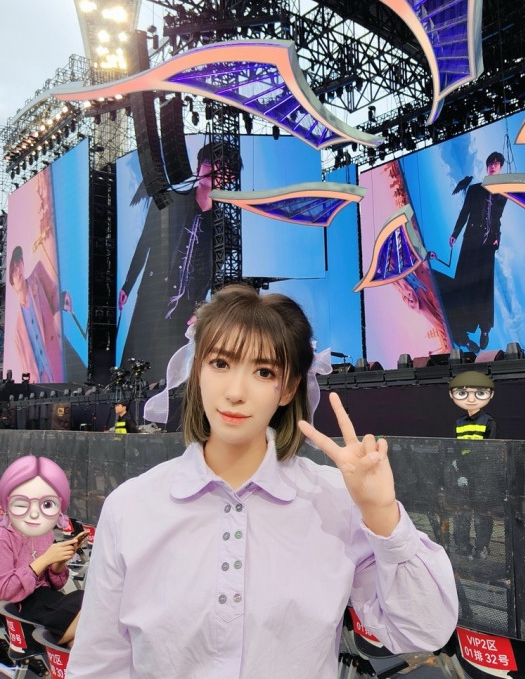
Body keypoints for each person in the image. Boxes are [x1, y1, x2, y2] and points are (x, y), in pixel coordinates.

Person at [67, 283, 459, 679]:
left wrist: (383, 515)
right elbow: (99, 664)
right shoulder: (132, 507)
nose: (236, 392)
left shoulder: (334, 501)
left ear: (288, 389)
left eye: (264, 371)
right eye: (220, 363)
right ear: (196, 370)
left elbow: (423, 631)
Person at [118, 141, 242, 380]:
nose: (213, 170)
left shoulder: (225, 228)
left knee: (168, 366)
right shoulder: (170, 201)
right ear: (199, 165)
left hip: (186, 306)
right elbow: (145, 242)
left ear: (230, 178)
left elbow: (215, 277)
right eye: (209, 162)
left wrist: (201, 310)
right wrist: (128, 285)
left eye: (222, 166)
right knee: (136, 354)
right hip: (154, 293)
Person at [0, 456, 88, 646]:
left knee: (92, 607)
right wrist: (44, 560)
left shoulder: (44, 533)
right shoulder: (4, 536)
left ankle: (60, 645)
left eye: (46, 504)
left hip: (50, 601)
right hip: (21, 609)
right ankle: (53, 643)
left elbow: (55, 583)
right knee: (89, 604)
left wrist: (58, 562)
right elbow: (4, 591)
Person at [442, 152, 507, 351]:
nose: (493, 166)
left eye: (497, 163)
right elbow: (464, 213)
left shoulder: (502, 194)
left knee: (484, 287)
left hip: (488, 245)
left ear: (500, 167)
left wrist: (497, 237)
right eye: (491, 163)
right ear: (487, 167)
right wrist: (455, 233)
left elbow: (497, 219)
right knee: (464, 284)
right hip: (471, 241)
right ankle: (462, 331)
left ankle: (485, 328)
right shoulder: (474, 189)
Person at [440, 371, 498, 558]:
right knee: (462, 510)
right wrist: (458, 469)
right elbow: (455, 447)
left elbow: (491, 448)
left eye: (479, 393)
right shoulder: (459, 422)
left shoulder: (488, 421)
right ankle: (462, 546)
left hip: (482, 472)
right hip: (463, 471)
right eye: (463, 393)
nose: (471, 399)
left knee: (482, 511)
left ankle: (482, 547)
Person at [7, 246, 72, 383]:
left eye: (18, 263)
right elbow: (26, 367)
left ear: (23, 264)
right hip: (42, 382)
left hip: (57, 361)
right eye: (13, 270)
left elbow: (54, 297)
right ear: (12, 285)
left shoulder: (38, 276)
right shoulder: (17, 333)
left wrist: (63, 297)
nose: (18, 270)